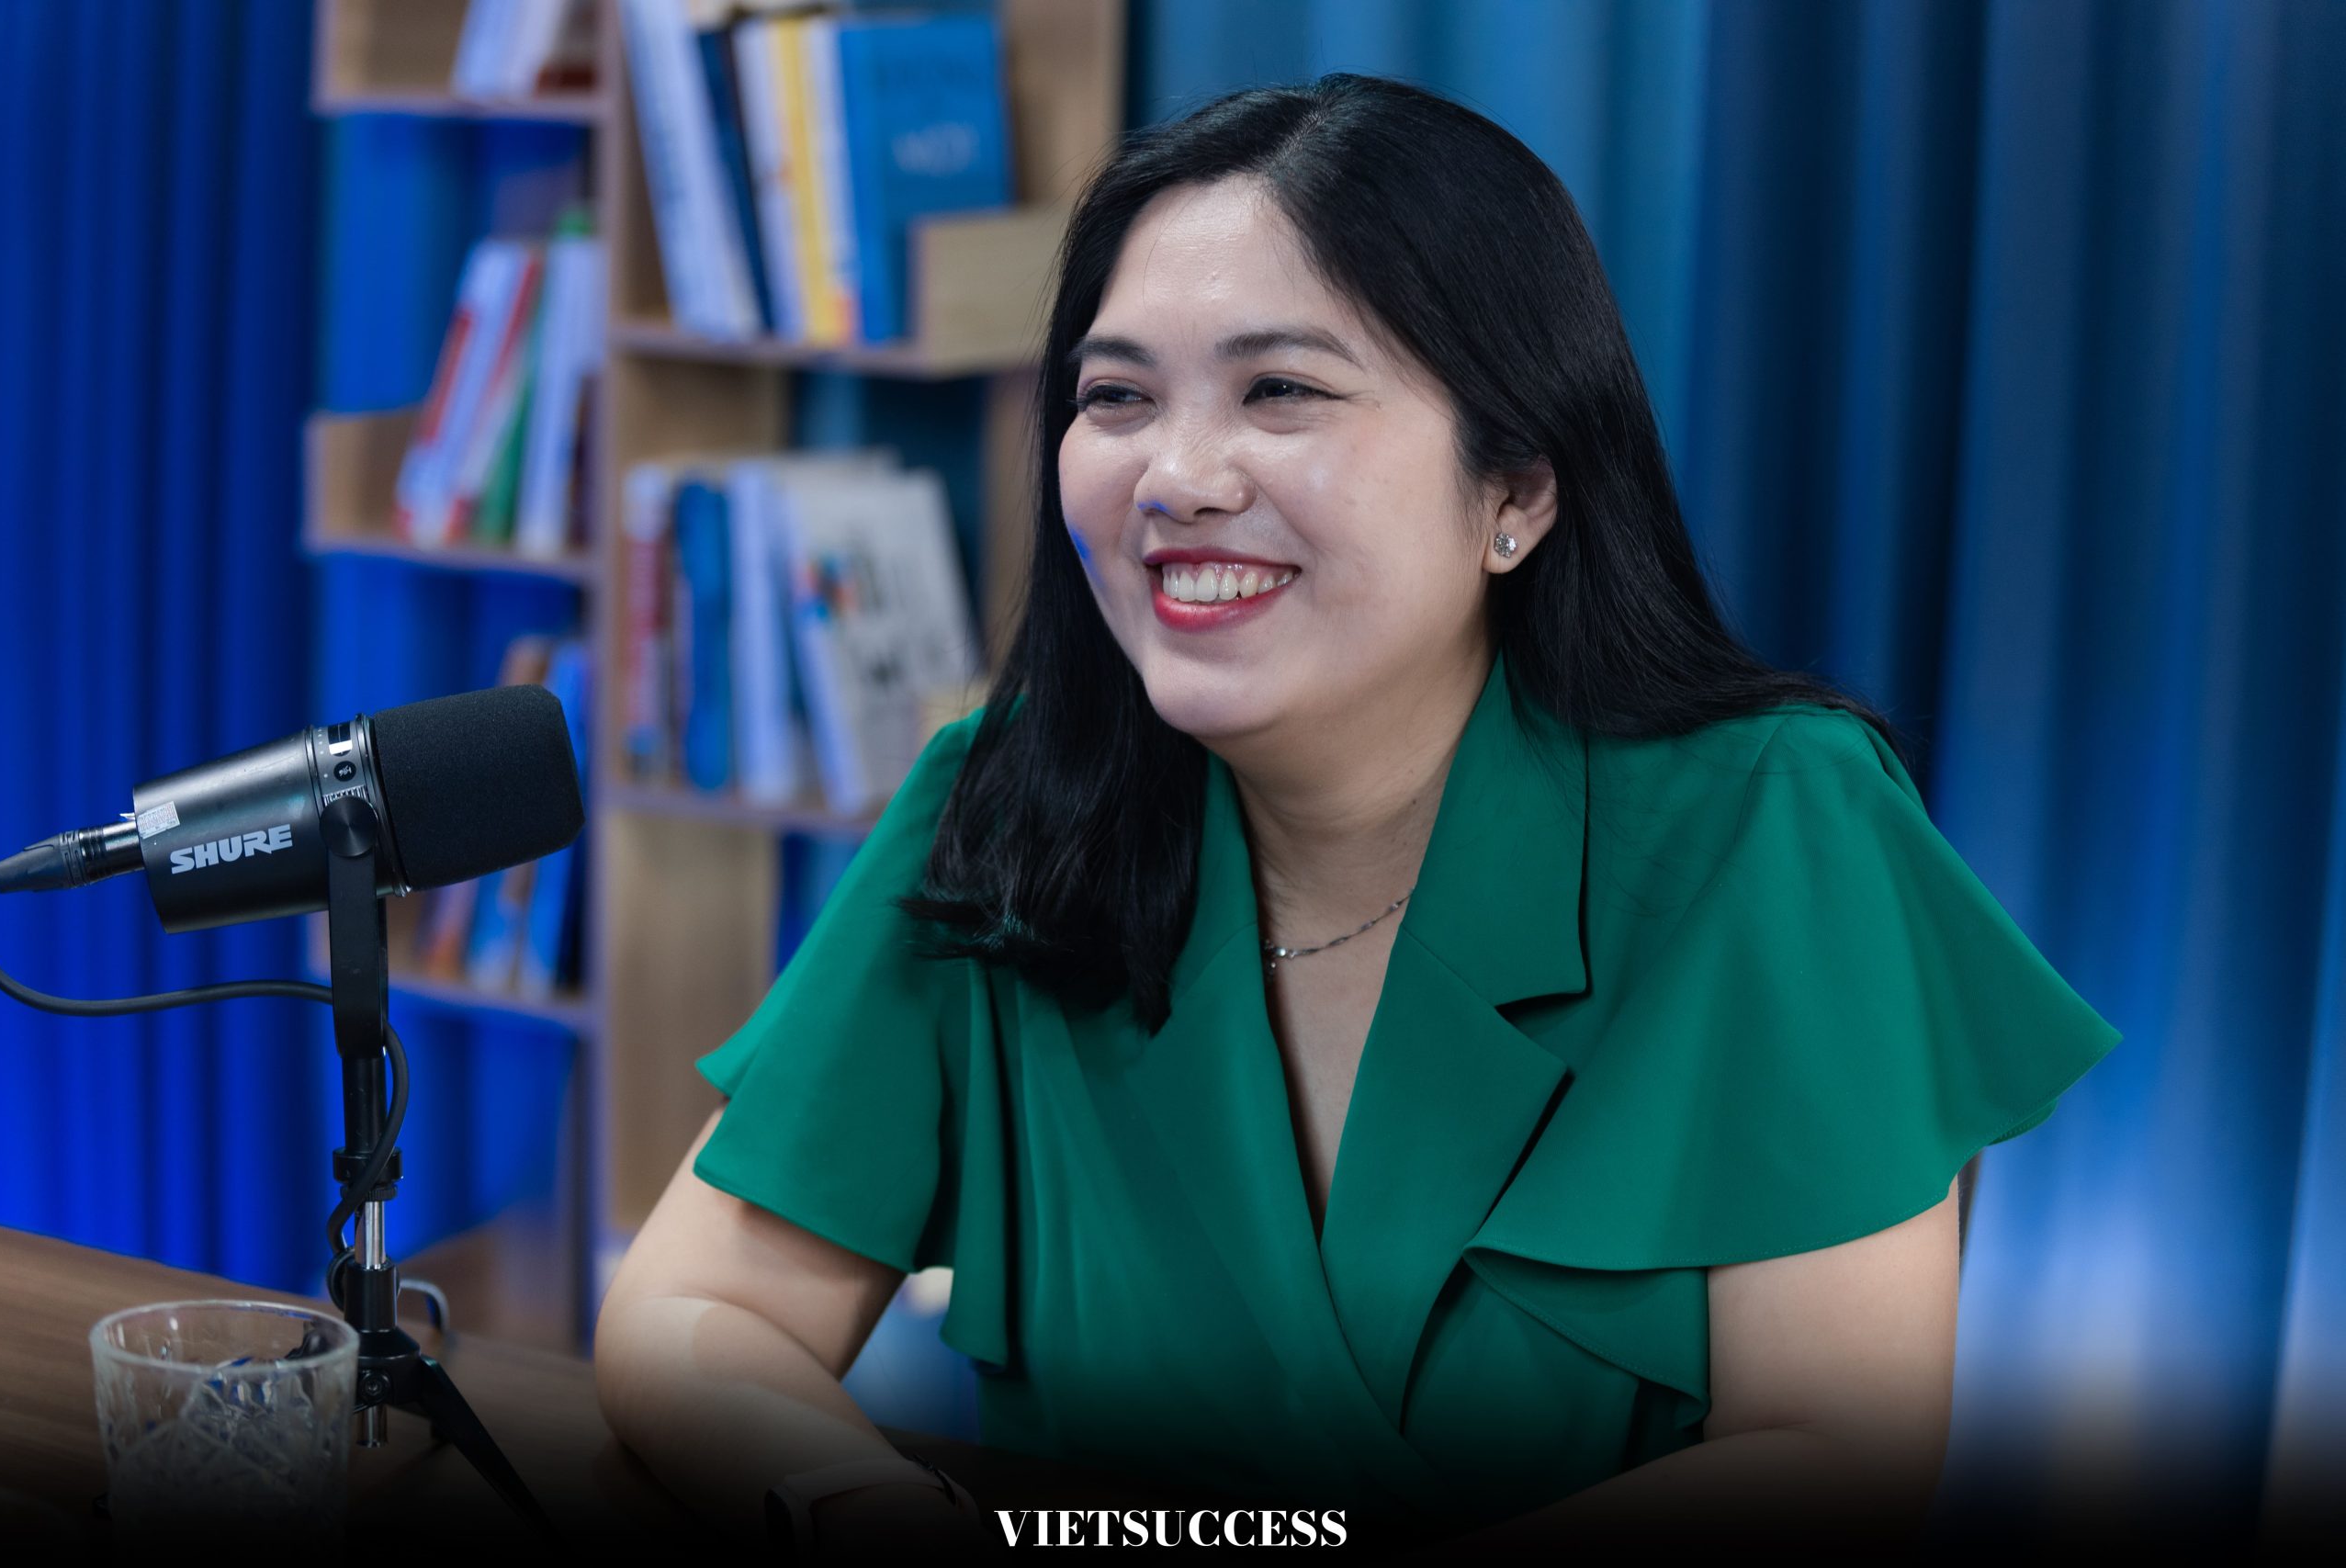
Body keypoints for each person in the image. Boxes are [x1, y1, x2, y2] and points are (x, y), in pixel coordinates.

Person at [593, 73, 2123, 1556]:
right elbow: (692, 1313)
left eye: (1281, 391)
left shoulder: (1773, 827)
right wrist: (845, 1500)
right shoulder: (1002, 811)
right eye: (1116, 396)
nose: (1176, 477)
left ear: (1517, 490)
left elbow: (1835, 1455)